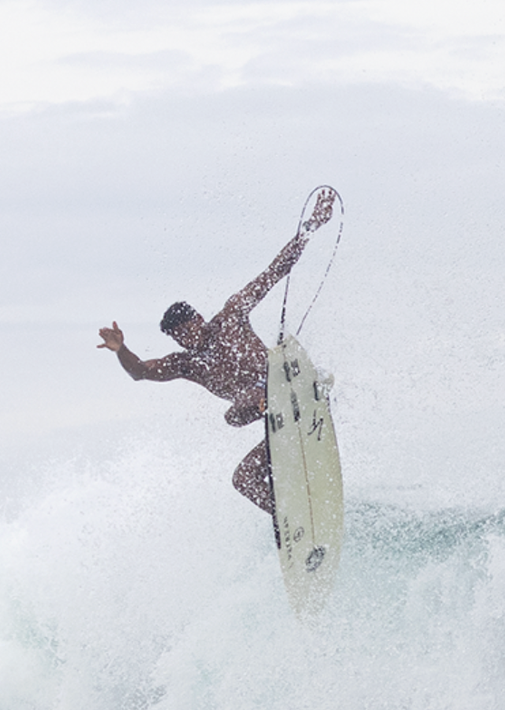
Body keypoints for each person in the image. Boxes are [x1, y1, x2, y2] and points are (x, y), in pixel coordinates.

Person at [97, 192, 336, 516]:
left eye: (184, 332)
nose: (183, 342)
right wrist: (121, 350)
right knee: (243, 476)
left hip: (285, 387)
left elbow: (275, 271)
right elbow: (140, 372)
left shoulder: (232, 316)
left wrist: (310, 227)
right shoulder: (187, 364)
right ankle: (290, 517)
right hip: (273, 420)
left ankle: (300, 391)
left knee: (250, 397)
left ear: (197, 319)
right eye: (176, 338)